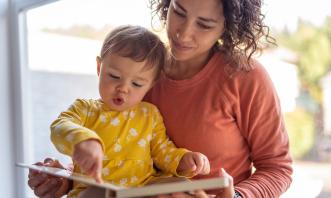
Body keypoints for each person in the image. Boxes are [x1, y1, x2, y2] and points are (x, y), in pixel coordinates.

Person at [28, 0, 293, 197]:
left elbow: (278, 168)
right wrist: (63, 177)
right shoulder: (141, 72)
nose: (183, 33)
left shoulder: (246, 77)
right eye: (178, 11)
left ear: (227, 27)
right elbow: (119, 153)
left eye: (204, 24)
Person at [46, 25, 210, 198]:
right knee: (98, 193)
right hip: (96, 187)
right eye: (114, 76)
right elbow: (59, 126)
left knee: (182, 185)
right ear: (99, 67)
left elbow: (163, 150)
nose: (123, 88)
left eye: (137, 84)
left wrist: (183, 160)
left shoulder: (150, 114)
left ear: (151, 84)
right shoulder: (85, 109)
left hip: (143, 188)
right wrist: (83, 140)